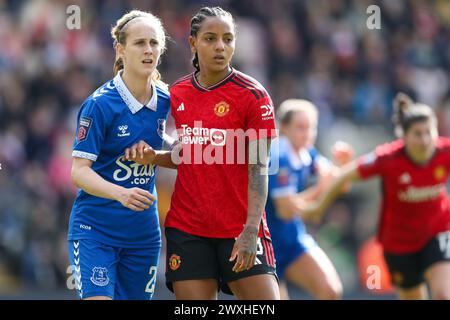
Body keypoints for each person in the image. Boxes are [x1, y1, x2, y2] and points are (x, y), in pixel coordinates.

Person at [125, 6, 279, 300]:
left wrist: (250, 230)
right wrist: (152, 157)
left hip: (239, 228)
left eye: (227, 38)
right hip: (188, 229)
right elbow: (189, 157)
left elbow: (259, 168)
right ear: (193, 42)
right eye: (210, 38)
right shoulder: (178, 93)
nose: (220, 46)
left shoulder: (253, 95)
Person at [68, 10, 170, 300]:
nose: (148, 50)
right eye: (140, 43)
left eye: (154, 43)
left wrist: (156, 155)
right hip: (95, 230)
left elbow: (180, 153)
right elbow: (79, 171)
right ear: (121, 49)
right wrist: (121, 194)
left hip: (143, 235)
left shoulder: (167, 100)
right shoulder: (100, 105)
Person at [311, 93, 450, 300]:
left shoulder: (444, 151)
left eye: (428, 133)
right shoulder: (387, 158)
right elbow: (344, 175)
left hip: (437, 232)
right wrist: (318, 208)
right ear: (404, 136)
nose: (424, 140)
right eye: (417, 134)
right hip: (399, 242)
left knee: (442, 294)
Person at [266, 99, 349, 299]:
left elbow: (340, 186)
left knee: (330, 291)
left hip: (292, 239)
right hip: (265, 246)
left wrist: (344, 167)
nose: (307, 133)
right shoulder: (277, 156)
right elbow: (285, 210)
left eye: (311, 127)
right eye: (301, 127)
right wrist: (321, 186)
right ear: (284, 128)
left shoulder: (307, 152)